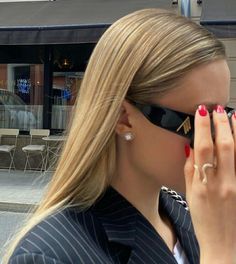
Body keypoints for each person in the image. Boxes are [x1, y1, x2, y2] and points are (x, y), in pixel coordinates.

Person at [4, 8, 236, 264]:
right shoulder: (49, 255)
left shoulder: (193, 215)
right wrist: (220, 252)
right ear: (123, 117)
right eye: (201, 120)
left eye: (224, 117)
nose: (217, 140)